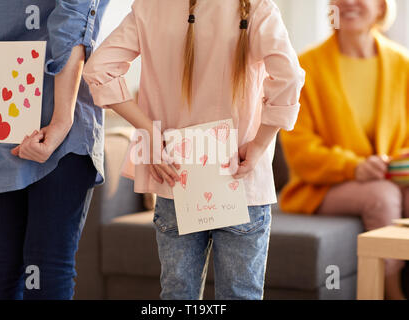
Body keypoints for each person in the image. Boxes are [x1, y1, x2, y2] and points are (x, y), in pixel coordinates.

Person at [83, 0, 305, 299]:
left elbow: (98, 69)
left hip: (175, 178)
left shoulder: (151, 7)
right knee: (241, 295)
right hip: (239, 182)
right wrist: (260, 144)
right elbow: (289, 77)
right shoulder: (257, 7)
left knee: (177, 296)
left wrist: (150, 133)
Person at [0, 0, 109, 299]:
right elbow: (74, 16)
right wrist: (62, 118)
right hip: (60, 105)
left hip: (0, 104)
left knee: (5, 259)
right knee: (48, 263)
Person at [279, 0, 408, 300]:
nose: (348, 2)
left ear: (380, 7)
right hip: (322, 186)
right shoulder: (305, 66)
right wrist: (354, 167)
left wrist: (396, 164)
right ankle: (389, 293)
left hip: (392, 177)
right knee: (381, 196)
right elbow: (299, 147)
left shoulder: (403, 65)